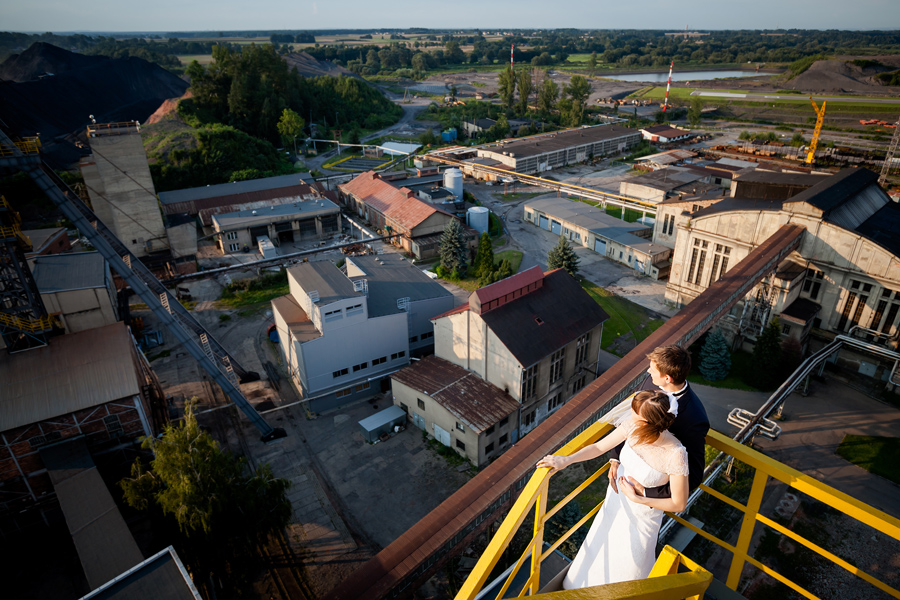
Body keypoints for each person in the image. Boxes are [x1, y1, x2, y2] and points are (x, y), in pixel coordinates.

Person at [537, 391, 688, 588]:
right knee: (599, 550)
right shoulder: (633, 426)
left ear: (649, 423)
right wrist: (567, 460)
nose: (630, 416)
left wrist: (639, 499)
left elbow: (679, 503)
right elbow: (599, 447)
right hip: (614, 503)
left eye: (636, 414)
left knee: (631, 567)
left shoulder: (675, 454)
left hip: (642, 518)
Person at [610, 345, 709, 498]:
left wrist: (645, 492)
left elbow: (694, 477)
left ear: (667, 378)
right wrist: (615, 458)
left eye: (653, 369)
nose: (648, 371)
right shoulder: (651, 383)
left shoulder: (694, 419)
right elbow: (633, 418)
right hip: (625, 471)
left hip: (650, 486)